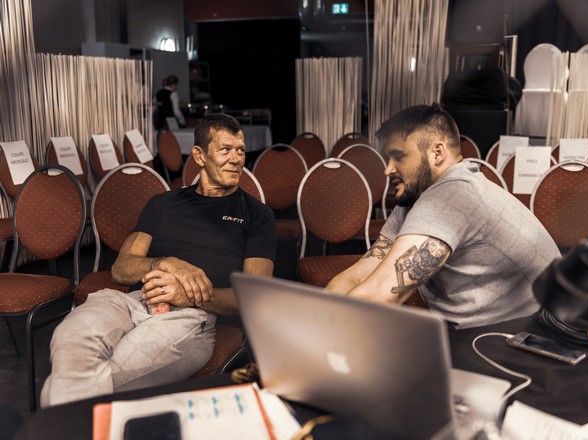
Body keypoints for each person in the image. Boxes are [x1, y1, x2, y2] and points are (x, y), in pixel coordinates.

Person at [41, 113, 277, 406]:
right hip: (132, 301)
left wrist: (190, 295)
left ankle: (53, 420)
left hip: (189, 316)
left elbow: (254, 297)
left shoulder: (257, 215)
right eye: (225, 149)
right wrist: (165, 262)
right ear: (199, 155)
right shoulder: (163, 203)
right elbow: (121, 269)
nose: (236, 159)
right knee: (69, 337)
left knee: (90, 377)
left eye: (240, 150)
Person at [326, 104, 560, 329]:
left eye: (399, 157)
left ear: (437, 152)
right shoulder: (416, 196)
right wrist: (322, 311)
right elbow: (360, 274)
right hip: (482, 329)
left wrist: (316, 329)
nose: (388, 169)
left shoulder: (451, 196)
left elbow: (381, 294)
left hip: (526, 332)